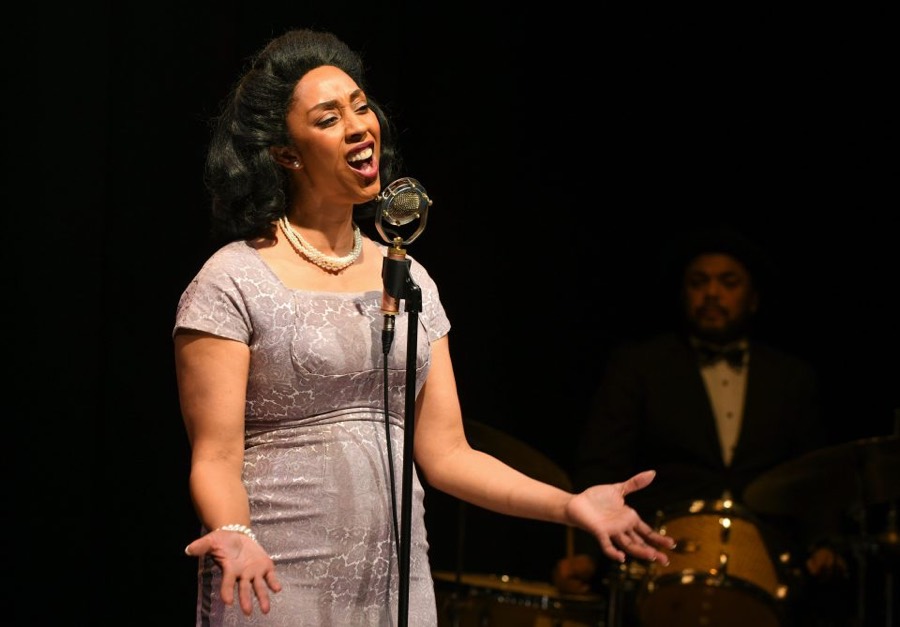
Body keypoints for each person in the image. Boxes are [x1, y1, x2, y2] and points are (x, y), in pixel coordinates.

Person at [173, 28, 675, 626]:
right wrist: (232, 531)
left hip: (393, 581)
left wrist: (572, 507)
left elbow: (449, 455)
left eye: (361, 107)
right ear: (286, 152)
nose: (359, 126)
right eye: (329, 118)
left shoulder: (408, 278)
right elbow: (216, 454)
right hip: (271, 572)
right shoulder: (232, 278)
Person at [552, 227, 852, 627]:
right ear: (683, 295)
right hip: (661, 557)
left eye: (728, 282)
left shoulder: (792, 378)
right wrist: (591, 552)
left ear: (754, 299)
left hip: (766, 568)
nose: (712, 292)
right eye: (698, 282)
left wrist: (823, 542)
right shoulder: (641, 366)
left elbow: (814, 474)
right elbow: (601, 464)